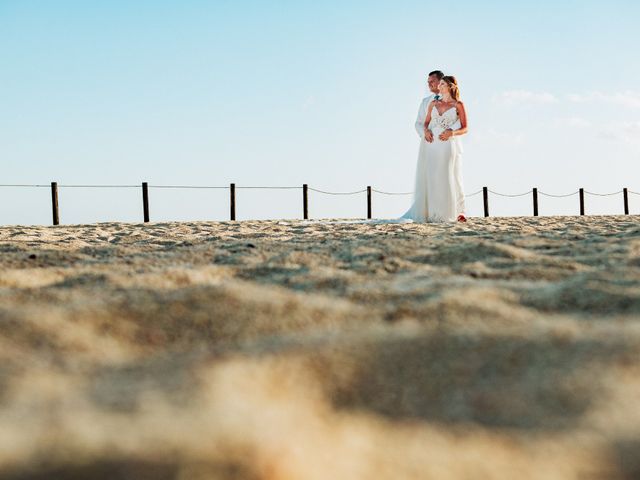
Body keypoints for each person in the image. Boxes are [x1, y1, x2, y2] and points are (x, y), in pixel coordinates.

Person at [401, 74, 468, 223]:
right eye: (428, 82)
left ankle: (459, 211)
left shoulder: (458, 104)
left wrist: (451, 132)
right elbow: (420, 123)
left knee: (453, 177)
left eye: (434, 81)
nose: (431, 84)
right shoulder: (427, 102)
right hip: (431, 144)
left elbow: (463, 126)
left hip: (450, 143)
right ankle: (431, 211)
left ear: (442, 82)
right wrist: (425, 133)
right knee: (432, 177)